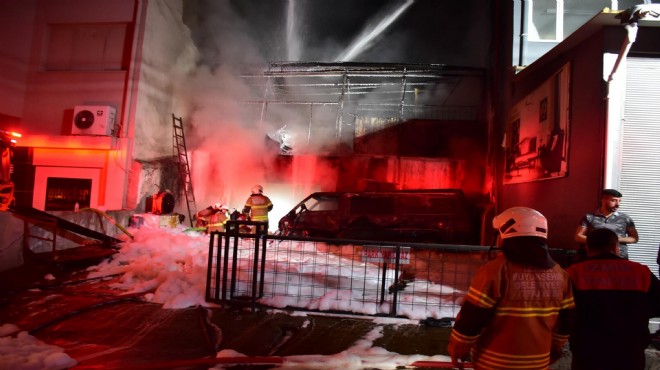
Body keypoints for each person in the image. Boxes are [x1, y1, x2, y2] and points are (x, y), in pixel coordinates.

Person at [447, 207, 575, 370]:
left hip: (494, 363)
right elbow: (566, 321)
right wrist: (554, 348)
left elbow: (472, 317)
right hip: (539, 362)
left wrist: (457, 349)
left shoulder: (495, 271)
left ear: (505, 237)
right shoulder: (560, 274)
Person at [567, 228, 660, 370]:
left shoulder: (573, 272)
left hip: (587, 351)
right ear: (615, 247)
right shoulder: (641, 272)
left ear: (587, 247)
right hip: (630, 351)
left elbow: (563, 311)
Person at [574, 188, 638, 259]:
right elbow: (578, 237)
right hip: (594, 258)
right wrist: (599, 240)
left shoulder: (625, 218)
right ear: (603, 200)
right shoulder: (589, 217)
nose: (617, 204)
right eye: (613, 200)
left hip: (619, 258)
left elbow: (634, 238)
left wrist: (615, 239)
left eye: (619, 201)